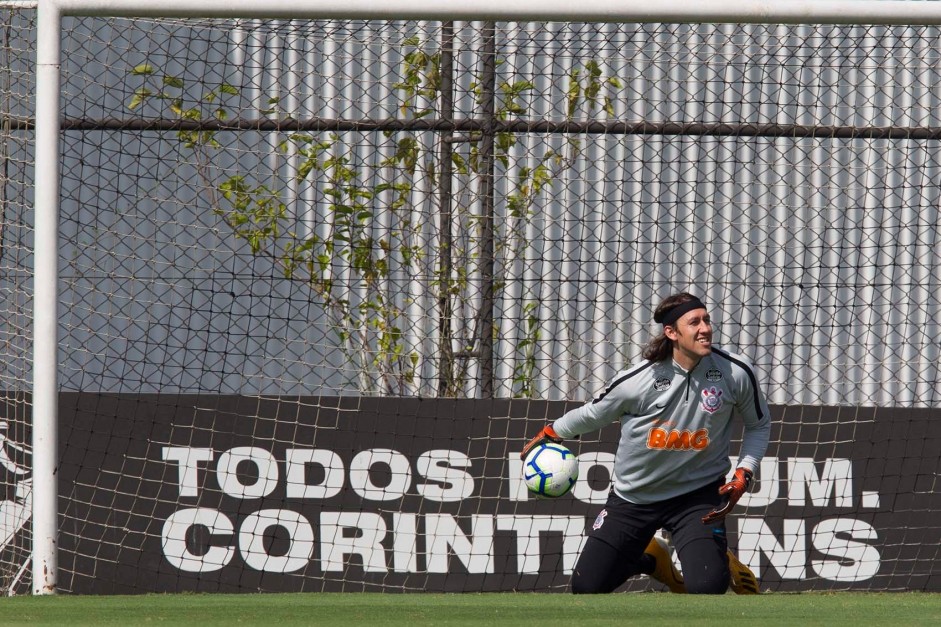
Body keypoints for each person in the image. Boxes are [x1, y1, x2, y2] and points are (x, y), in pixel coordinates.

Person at [521, 292, 770, 594]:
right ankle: (652, 560)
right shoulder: (638, 380)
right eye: (694, 322)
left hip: (698, 497)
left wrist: (745, 472)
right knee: (586, 589)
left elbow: (759, 425)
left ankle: (713, 559)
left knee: (707, 589)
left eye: (706, 320)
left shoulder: (735, 372)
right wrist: (550, 433)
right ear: (672, 332)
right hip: (634, 499)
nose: (705, 328)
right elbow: (594, 413)